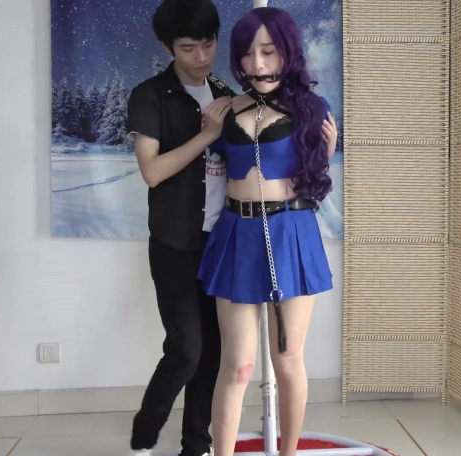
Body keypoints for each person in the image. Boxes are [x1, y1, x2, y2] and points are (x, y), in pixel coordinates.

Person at [196, 7, 338, 456]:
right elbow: (213, 172)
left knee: (287, 358)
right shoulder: (225, 110)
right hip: (237, 235)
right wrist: (210, 130)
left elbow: (315, 182)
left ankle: (289, 452)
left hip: (290, 233)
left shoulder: (313, 109)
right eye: (247, 53)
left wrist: (326, 153)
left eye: (268, 51)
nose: (257, 64)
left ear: (287, 52)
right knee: (237, 367)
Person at [124, 1, 235, 455]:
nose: (201, 56)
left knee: (214, 352)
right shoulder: (150, 95)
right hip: (174, 243)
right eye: (189, 48)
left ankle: (196, 447)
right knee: (186, 350)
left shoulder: (225, 93)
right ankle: (143, 437)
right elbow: (152, 171)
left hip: (222, 242)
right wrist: (207, 134)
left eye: (209, 44)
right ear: (167, 47)